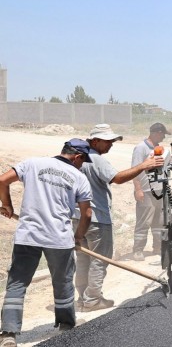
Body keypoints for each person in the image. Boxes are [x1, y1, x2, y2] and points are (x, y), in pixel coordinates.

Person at [0, 139, 93, 345]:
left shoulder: (32, 163)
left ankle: (8, 334)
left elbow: (2, 181)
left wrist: (7, 205)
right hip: (59, 239)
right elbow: (86, 213)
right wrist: (77, 237)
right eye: (83, 161)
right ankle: (66, 325)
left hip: (28, 236)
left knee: (17, 283)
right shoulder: (79, 177)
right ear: (77, 157)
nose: (82, 165)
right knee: (62, 281)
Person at [74, 124, 164, 312]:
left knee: (83, 258)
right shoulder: (96, 159)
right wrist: (144, 165)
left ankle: (82, 297)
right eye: (108, 141)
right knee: (100, 259)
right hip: (96, 218)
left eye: (113, 141)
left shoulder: (78, 158)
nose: (111, 145)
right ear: (96, 141)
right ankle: (92, 300)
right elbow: (118, 178)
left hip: (77, 218)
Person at [132, 123, 172, 261]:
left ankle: (157, 247)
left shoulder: (159, 149)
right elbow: (135, 170)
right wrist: (138, 190)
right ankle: (138, 250)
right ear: (156, 133)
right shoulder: (140, 148)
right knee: (144, 221)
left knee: (159, 221)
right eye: (163, 134)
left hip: (159, 190)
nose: (164, 137)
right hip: (146, 190)